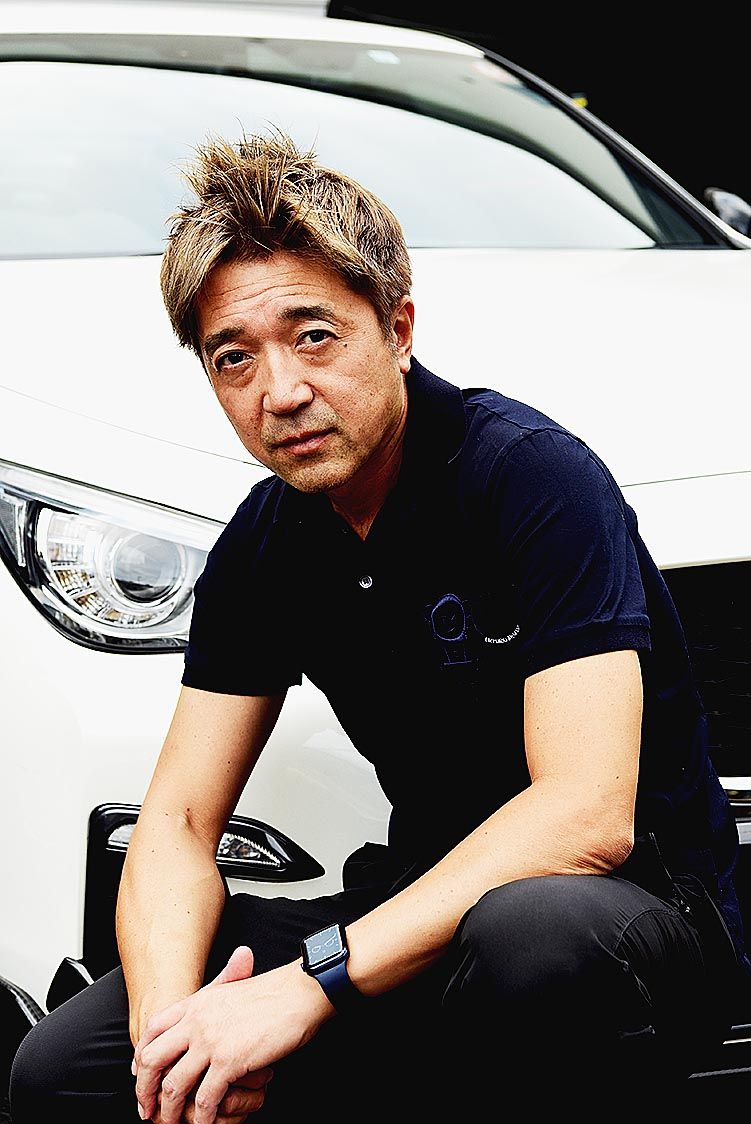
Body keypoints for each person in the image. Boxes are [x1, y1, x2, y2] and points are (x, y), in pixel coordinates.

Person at [10, 127, 750, 1122]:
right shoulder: (268, 541)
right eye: (234, 358)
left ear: (397, 329)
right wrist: (172, 1040)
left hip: (634, 916)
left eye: (314, 336)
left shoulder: (527, 476)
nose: (281, 392)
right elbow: (178, 824)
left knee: (532, 934)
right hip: (416, 915)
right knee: (64, 1067)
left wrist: (312, 981)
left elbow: (584, 816)